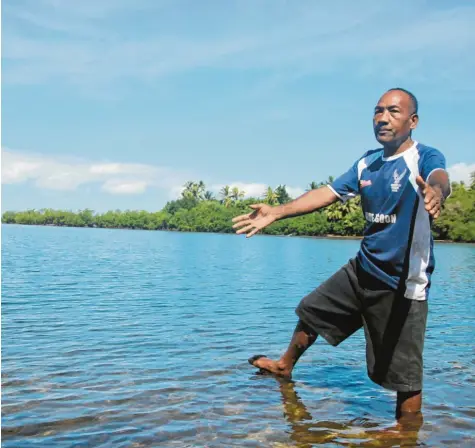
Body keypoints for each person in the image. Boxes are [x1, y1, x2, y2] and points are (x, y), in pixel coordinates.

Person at [231, 88, 451, 421]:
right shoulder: (367, 162)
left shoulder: (423, 157)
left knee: (404, 374)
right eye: (378, 111)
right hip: (363, 268)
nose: (382, 118)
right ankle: (283, 366)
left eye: (393, 111)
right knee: (313, 311)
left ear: (413, 121)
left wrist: (435, 192)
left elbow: (440, 177)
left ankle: (407, 434)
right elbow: (327, 193)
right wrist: (278, 211)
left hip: (401, 282)